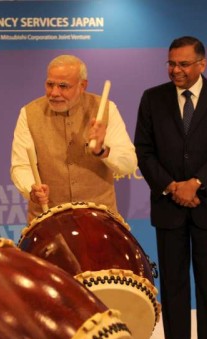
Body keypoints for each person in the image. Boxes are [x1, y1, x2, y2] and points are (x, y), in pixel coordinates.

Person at [134, 36, 207, 339]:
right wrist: (171, 187)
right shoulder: (152, 98)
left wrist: (195, 183)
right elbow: (144, 151)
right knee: (175, 286)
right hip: (168, 207)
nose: (175, 70)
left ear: (202, 65)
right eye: (171, 63)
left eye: (182, 64)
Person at [11, 54, 137, 222]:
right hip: (48, 221)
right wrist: (31, 189)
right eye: (50, 84)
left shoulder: (106, 109)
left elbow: (128, 165)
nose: (54, 92)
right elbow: (21, 166)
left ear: (82, 86)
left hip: (100, 221)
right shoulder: (29, 113)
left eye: (63, 86)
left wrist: (102, 151)